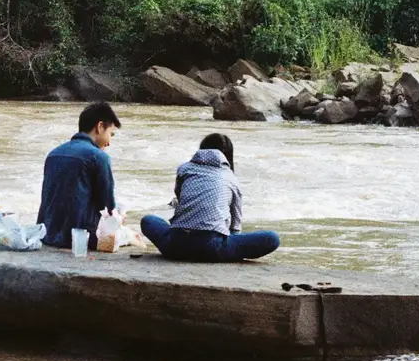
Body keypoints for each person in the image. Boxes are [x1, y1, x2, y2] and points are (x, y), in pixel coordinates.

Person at [140, 133, 280, 262]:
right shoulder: (231, 178)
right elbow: (236, 226)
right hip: (210, 249)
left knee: (148, 220)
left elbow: (180, 198)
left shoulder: (184, 168)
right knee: (272, 238)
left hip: (174, 246)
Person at [37, 102, 121, 248]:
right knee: (123, 232)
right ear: (100, 127)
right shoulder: (99, 157)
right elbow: (108, 207)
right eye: (110, 134)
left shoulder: (53, 154)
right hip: (79, 239)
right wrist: (119, 217)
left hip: (47, 235)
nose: (109, 143)